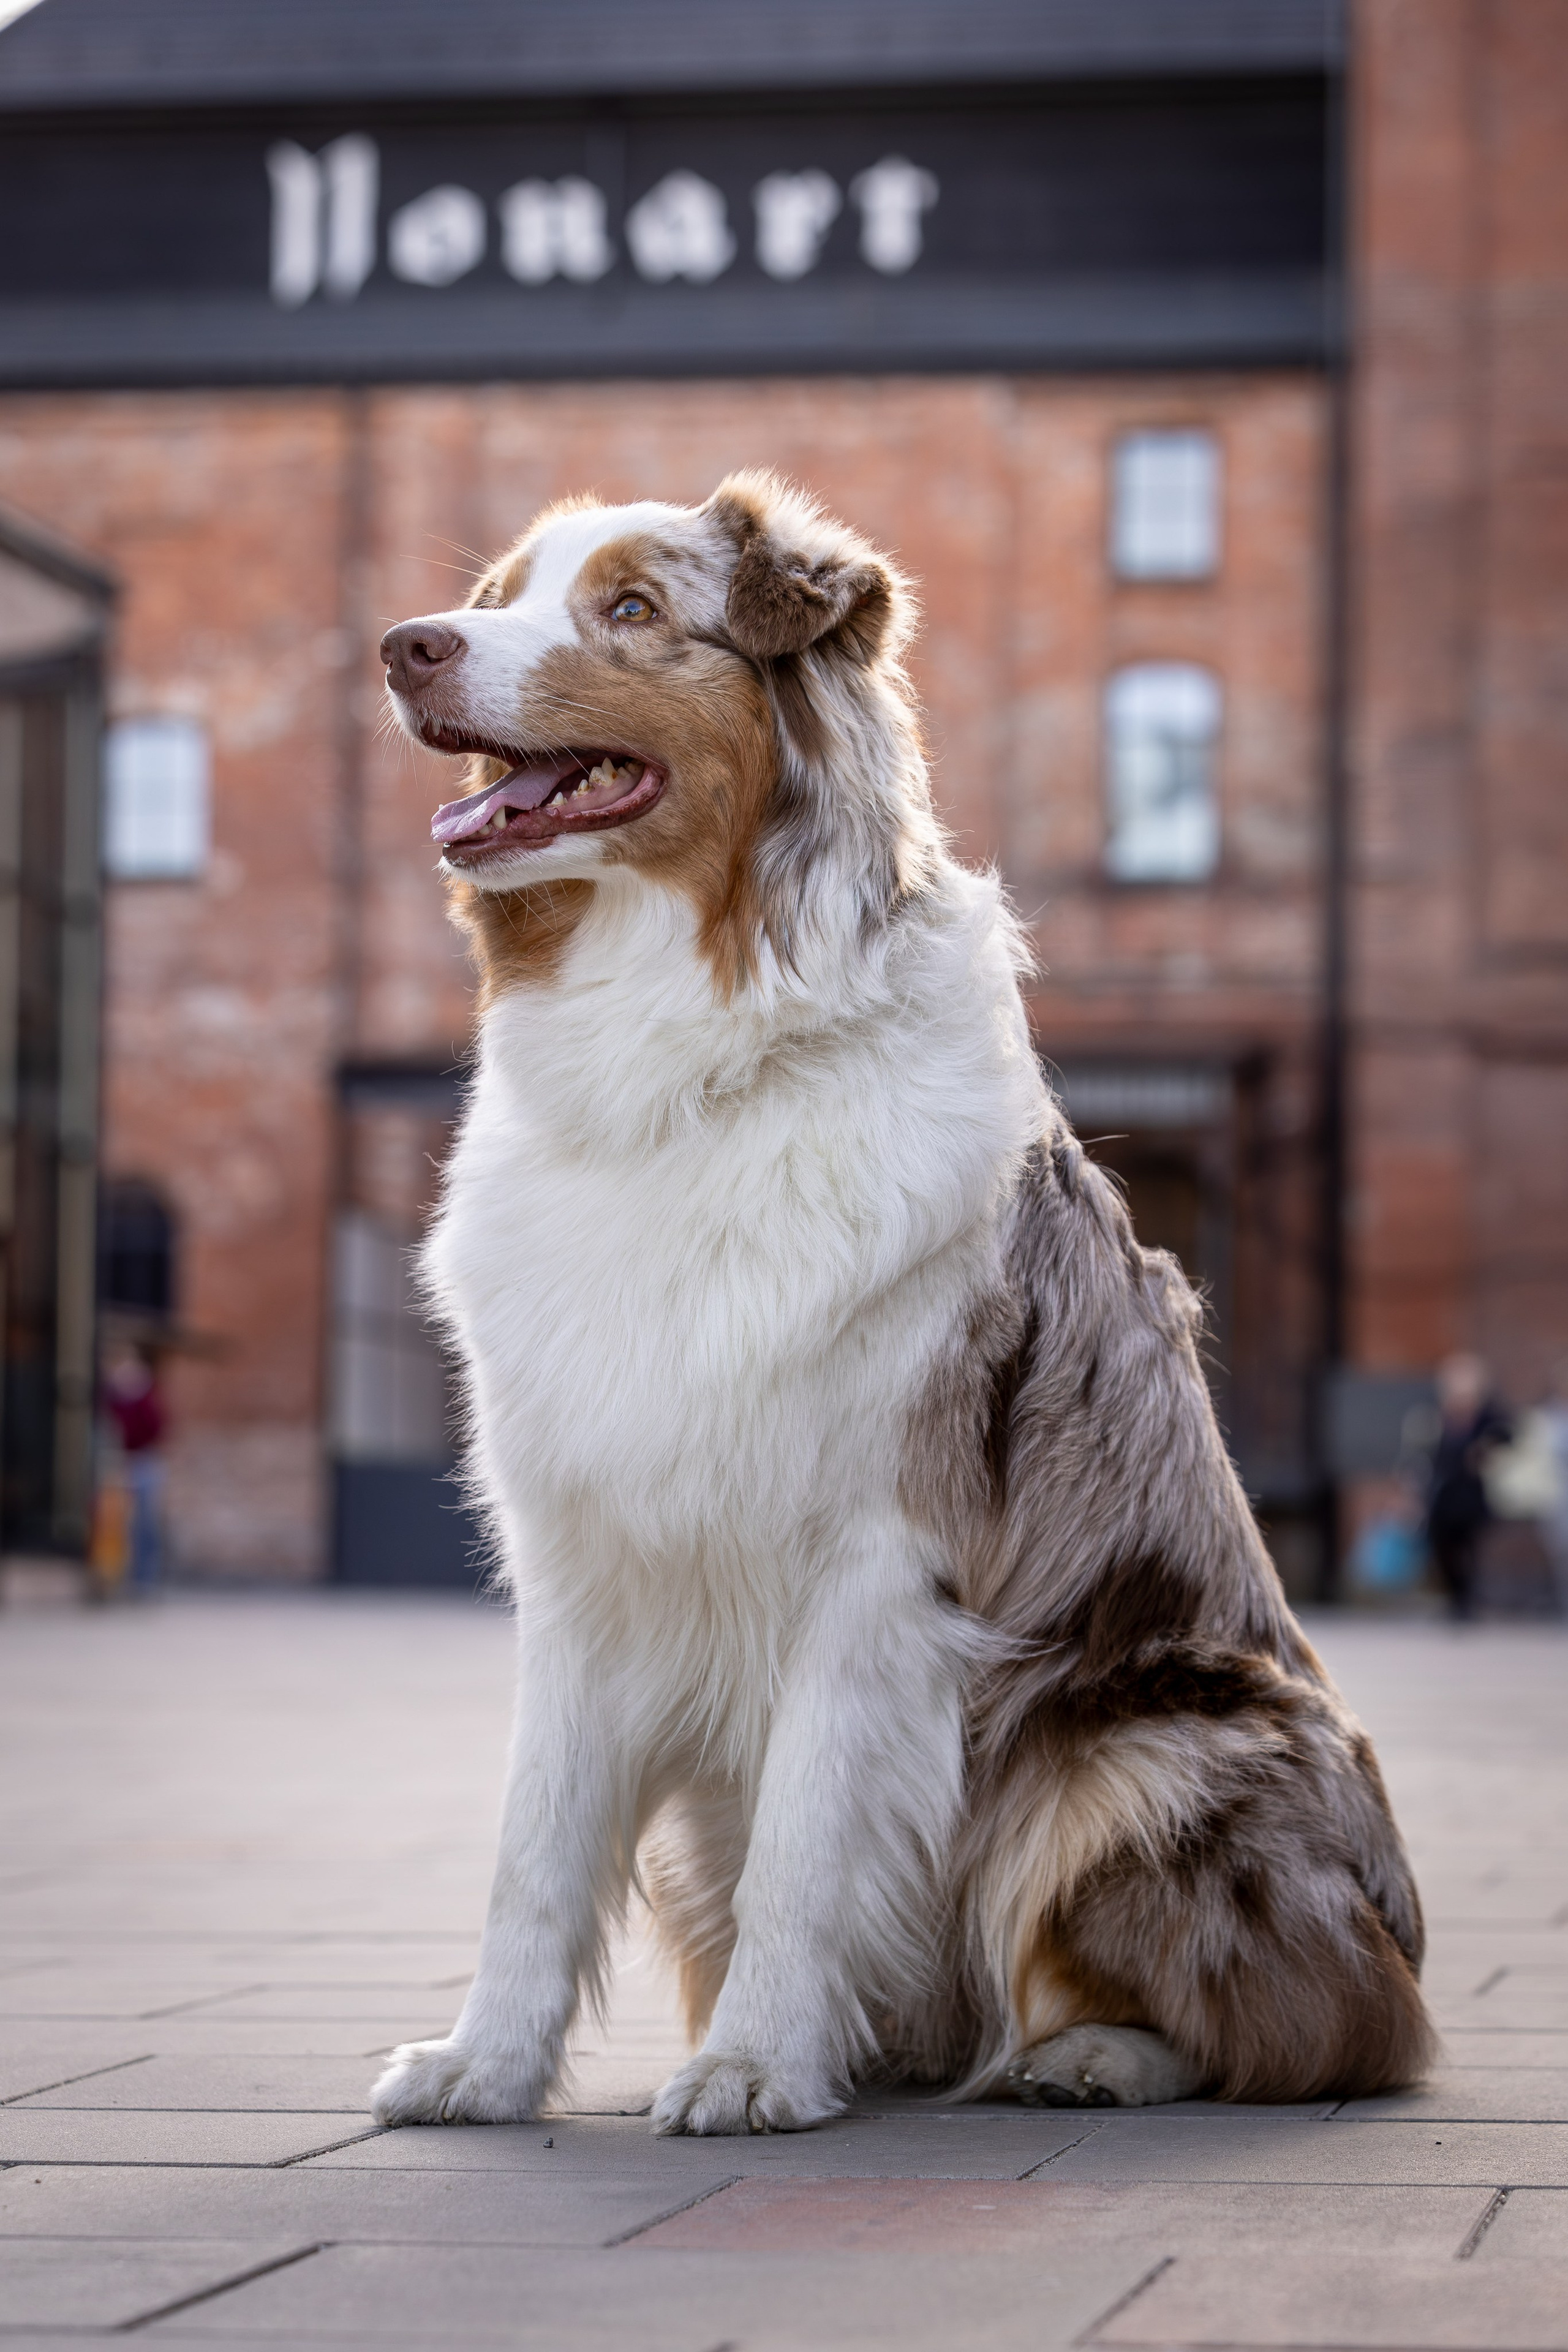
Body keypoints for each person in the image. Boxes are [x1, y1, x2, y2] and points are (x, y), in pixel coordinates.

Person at [1424, 1352, 1509, 1621]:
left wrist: (1485, 1449)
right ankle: (1454, 1597)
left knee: (1470, 1547)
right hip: (1443, 1494)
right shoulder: (1439, 1414)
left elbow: (1509, 1436)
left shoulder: (1488, 1416)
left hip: (1473, 1494)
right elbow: (1428, 1454)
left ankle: (1466, 1602)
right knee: (1443, 1547)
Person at [103, 1343, 167, 1591]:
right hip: (118, 1460)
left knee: (146, 1524)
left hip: (144, 1460)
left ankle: (145, 1578)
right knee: (116, 1523)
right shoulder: (112, 1396)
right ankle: (116, 1577)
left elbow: (157, 1428)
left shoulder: (146, 1395)